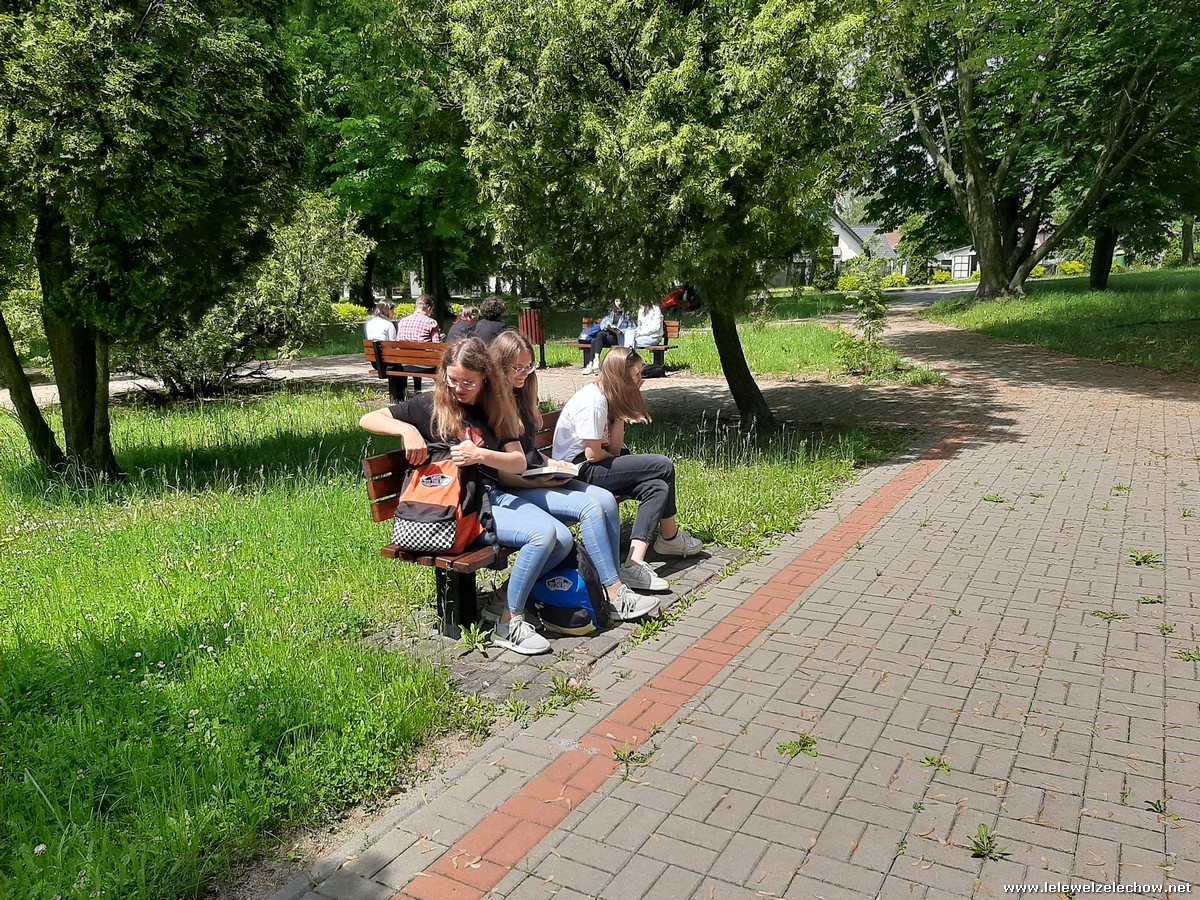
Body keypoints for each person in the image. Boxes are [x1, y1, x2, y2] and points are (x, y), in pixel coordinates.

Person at [359, 337, 570, 655]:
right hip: (455, 511)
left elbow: (518, 462)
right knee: (542, 536)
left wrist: (480, 455)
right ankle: (508, 624)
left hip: (489, 499)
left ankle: (502, 600)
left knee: (562, 539)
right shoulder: (429, 405)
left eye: (468, 382)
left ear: (485, 377)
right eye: (452, 380)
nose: (458, 389)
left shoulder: (494, 407)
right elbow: (368, 418)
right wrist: (408, 430)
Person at [490, 331, 666, 610]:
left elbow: (529, 453)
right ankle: (613, 595)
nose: (524, 373)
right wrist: (537, 482)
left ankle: (613, 583)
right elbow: (500, 470)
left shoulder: (521, 395)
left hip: (536, 476)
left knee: (606, 500)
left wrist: (553, 465)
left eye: (529, 367)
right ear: (499, 365)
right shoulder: (495, 405)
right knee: (591, 508)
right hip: (515, 486)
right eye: (517, 368)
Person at [552, 347, 703, 576]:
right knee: (662, 465)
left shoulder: (607, 397)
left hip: (596, 466)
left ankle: (634, 563)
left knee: (657, 486)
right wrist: (620, 461)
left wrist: (620, 415)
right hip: (579, 471)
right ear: (621, 376)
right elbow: (592, 455)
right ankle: (669, 537)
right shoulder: (593, 401)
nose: (641, 380)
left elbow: (612, 449)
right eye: (637, 375)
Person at [391, 294, 443, 396]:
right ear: (429, 308)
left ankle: (415, 391)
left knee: (416, 355)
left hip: (404, 364)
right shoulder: (431, 323)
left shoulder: (402, 322)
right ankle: (442, 395)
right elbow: (437, 347)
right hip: (425, 365)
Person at [583, 299, 634, 375]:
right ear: (614, 303)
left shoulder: (627, 314)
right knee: (596, 338)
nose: (619, 303)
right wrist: (606, 326)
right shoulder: (610, 313)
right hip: (608, 334)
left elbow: (631, 328)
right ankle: (595, 361)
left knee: (595, 339)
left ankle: (592, 364)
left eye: (620, 301)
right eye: (617, 301)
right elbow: (602, 324)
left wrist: (621, 331)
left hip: (618, 337)